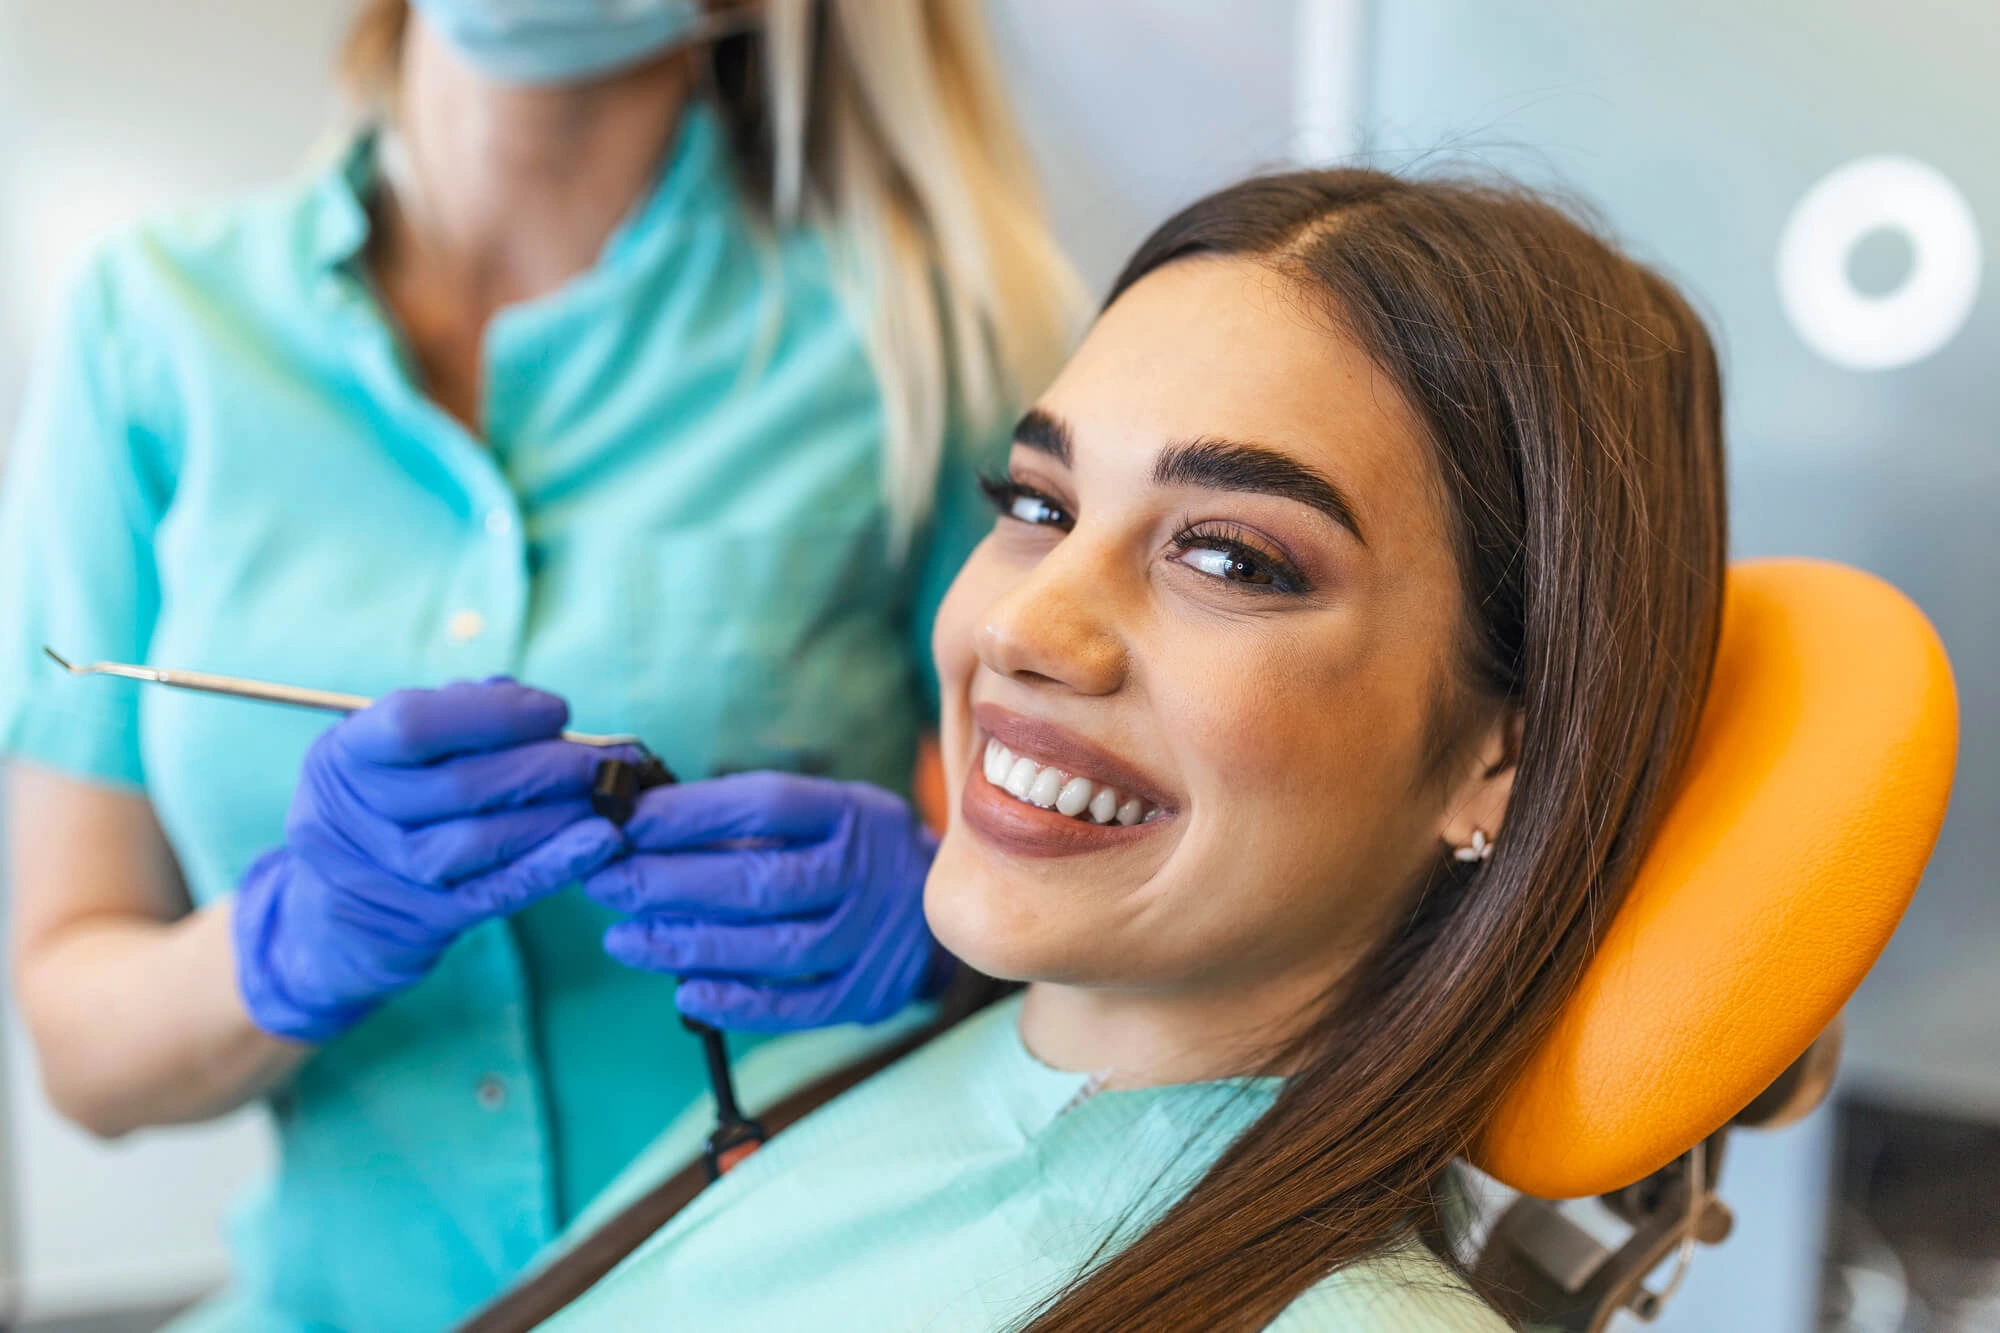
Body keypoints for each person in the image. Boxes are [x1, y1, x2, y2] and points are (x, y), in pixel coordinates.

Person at [0, 2, 1078, 1329]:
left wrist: (945, 939)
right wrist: (296, 934)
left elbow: (1170, 918)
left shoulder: (930, 329)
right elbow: (82, 1046)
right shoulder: (148, 324)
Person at [502, 165, 1729, 1329]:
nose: (1021, 624)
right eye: (1038, 506)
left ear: (1502, 760)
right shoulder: (840, 1068)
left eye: (1230, 559)